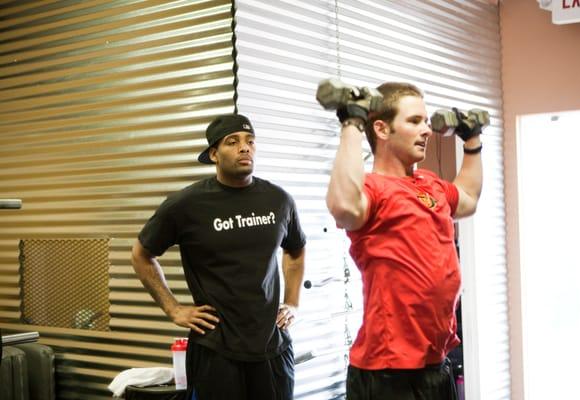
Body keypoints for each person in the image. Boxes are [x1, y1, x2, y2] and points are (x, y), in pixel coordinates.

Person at [131, 114, 306, 400]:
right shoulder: (186, 204)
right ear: (214, 153)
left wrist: (293, 302)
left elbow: (295, 251)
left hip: (272, 346)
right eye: (232, 142)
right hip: (216, 349)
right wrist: (173, 309)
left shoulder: (279, 199)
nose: (244, 148)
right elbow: (141, 255)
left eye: (250, 141)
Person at [326, 82, 483, 400]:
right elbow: (343, 206)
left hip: (436, 364)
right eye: (414, 121)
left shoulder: (431, 185)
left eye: (426, 121)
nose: (427, 130)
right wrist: (353, 124)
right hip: (386, 372)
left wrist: (472, 141)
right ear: (381, 129)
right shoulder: (372, 190)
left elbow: (468, 198)